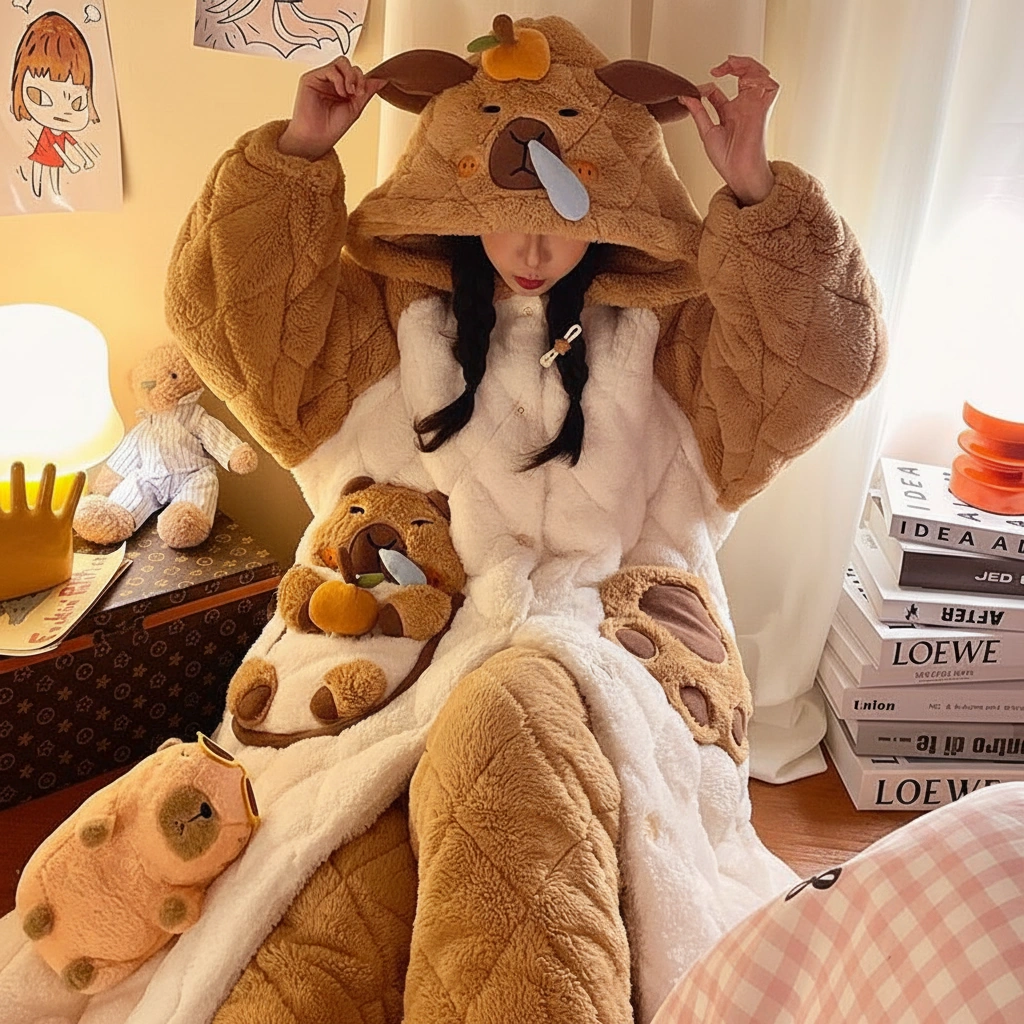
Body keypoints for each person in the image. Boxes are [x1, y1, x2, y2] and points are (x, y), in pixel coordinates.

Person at [165, 15, 886, 1024]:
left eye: (561, 212)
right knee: (332, 883)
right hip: (389, 650)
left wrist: (756, 193)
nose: (534, 246)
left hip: (593, 662)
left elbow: (823, 361)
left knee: (515, 775)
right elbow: (232, 322)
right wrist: (297, 154)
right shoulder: (381, 326)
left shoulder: (668, 350)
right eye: (501, 213)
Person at [10, 12, 98, 200]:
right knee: (38, 171)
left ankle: (55, 192)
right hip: (43, 155)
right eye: (40, 96)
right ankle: (37, 190)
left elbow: (72, 143)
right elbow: (53, 145)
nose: (62, 114)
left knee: (55, 174)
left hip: (56, 159)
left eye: (77, 103)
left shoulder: (62, 132)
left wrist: (80, 158)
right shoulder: (48, 132)